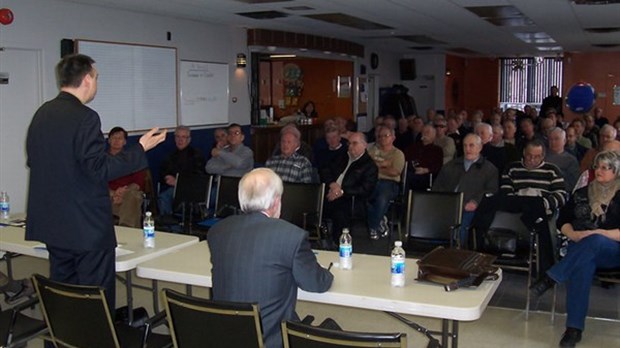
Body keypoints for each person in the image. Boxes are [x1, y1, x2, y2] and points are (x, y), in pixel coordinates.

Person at [25, 54, 166, 310]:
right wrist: (140, 148)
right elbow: (99, 169)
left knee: (64, 292)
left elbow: (37, 163)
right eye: (97, 78)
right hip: (86, 229)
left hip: (53, 224)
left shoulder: (42, 114)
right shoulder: (86, 117)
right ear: (87, 79)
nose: (97, 83)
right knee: (94, 298)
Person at [207, 168, 333, 348]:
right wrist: (328, 273)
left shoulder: (217, 231)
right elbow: (316, 283)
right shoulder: (292, 236)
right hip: (271, 341)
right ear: (276, 201)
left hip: (226, 337)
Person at [530, 151, 620, 348]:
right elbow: (563, 221)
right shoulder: (582, 193)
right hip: (580, 247)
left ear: (616, 171)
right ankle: (573, 329)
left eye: (606, 167)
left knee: (594, 241)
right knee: (583, 264)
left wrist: (600, 234)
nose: (600, 171)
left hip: (613, 249)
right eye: (597, 167)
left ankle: (551, 277)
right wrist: (574, 235)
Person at [499, 139, 567, 273]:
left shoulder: (552, 171)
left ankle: (547, 270)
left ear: (542, 156)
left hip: (544, 212)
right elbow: (505, 193)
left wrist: (543, 203)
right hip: (517, 212)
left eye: (536, 156)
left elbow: (561, 196)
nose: (532, 159)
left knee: (548, 230)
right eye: (529, 155)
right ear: (524, 152)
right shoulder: (512, 168)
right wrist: (521, 201)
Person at [432, 133, 498, 247]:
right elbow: (437, 187)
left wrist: (476, 201)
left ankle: (458, 252)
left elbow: (491, 190)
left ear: (480, 147)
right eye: (465, 145)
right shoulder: (450, 166)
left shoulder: (489, 169)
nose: (467, 149)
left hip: (471, 208)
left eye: (471, 145)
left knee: (462, 224)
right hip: (447, 205)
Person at [320, 132, 378, 246]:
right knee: (313, 204)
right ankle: (319, 237)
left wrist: (341, 192)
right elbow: (325, 170)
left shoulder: (369, 165)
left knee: (339, 210)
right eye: (349, 143)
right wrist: (332, 184)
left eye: (354, 143)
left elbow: (365, 189)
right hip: (332, 191)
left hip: (352, 199)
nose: (350, 146)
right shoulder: (342, 156)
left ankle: (337, 243)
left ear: (364, 145)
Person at [366, 126, 405, 240]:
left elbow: (395, 172)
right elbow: (366, 166)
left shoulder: (397, 154)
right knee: (363, 195)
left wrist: (376, 167)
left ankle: (373, 226)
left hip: (390, 183)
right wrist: (384, 165)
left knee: (382, 197)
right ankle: (380, 219)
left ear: (393, 137)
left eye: (386, 136)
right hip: (372, 182)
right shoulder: (372, 151)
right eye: (380, 136)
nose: (382, 138)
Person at [158, 125, 207, 215]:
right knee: (163, 197)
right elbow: (163, 172)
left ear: (189, 139)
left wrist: (178, 182)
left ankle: (172, 224)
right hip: (173, 187)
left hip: (190, 188)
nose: (180, 140)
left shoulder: (196, 155)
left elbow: (199, 176)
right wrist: (166, 177)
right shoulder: (170, 155)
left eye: (184, 137)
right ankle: (167, 224)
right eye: (178, 137)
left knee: (165, 197)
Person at [107, 126, 146, 228]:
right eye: (114, 138)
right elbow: (96, 182)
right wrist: (113, 194)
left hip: (128, 193)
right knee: (133, 207)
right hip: (108, 196)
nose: (116, 141)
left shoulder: (132, 158)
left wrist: (123, 192)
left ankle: (126, 227)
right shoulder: (101, 159)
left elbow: (138, 182)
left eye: (120, 138)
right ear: (109, 140)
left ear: (125, 142)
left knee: (132, 196)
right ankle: (130, 232)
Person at [404, 124, 443, 191]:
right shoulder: (413, 147)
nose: (425, 134)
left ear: (434, 135)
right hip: (411, 172)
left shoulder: (437, 150)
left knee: (409, 178)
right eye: (423, 132)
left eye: (427, 132)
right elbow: (406, 159)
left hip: (426, 176)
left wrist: (426, 170)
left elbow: (438, 166)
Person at [546, 127, 581, 193]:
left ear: (564, 141)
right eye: (550, 139)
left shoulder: (571, 160)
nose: (553, 142)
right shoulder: (542, 156)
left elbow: (573, 183)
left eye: (556, 139)